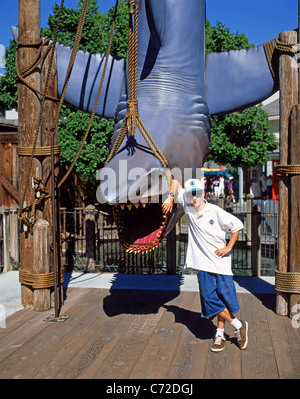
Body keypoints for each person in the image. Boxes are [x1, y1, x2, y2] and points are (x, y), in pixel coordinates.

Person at [162, 178, 248, 352]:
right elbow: (175, 181)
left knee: (222, 299)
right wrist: (171, 197)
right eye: (190, 194)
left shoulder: (215, 211)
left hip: (220, 262)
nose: (194, 198)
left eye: (197, 193)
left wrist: (229, 247)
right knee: (209, 299)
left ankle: (220, 333)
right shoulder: (187, 206)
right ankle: (239, 325)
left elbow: (237, 225)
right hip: (202, 264)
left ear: (203, 193)